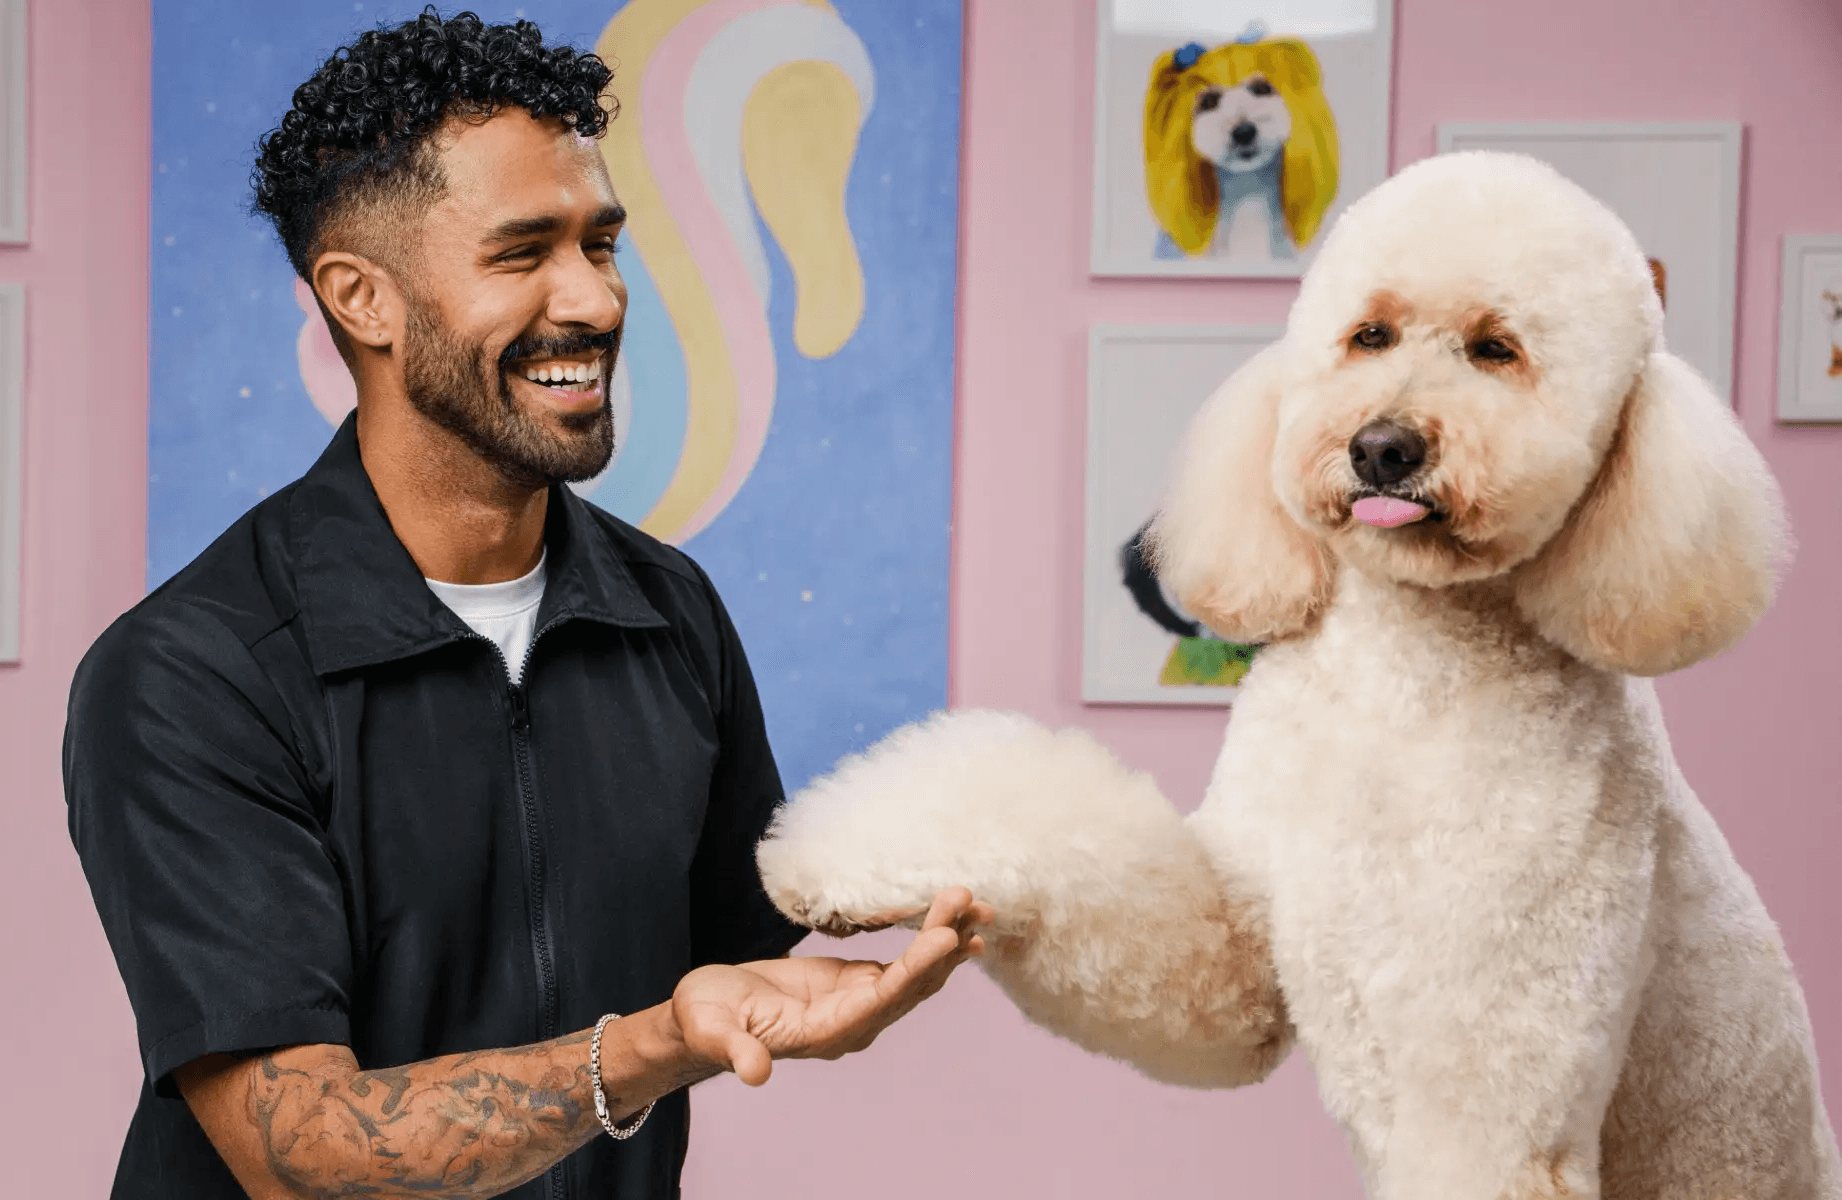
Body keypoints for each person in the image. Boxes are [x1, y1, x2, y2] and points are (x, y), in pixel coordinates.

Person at [64, 11, 986, 1199]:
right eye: (523, 252)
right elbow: (298, 1147)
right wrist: (642, 1047)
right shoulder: (190, 672)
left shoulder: (669, 611)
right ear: (362, 299)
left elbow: (728, 967)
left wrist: (974, 870)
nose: (595, 302)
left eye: (601, 243)